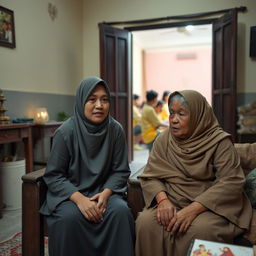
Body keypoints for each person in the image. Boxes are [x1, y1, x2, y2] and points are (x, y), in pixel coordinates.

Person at [135, 90, 252, 256]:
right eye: (172, 113)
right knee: (145, 223)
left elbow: (231, 182)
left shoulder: (219, 142)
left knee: (200, 231)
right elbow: (151, 175)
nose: (174, 120)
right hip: (172, 199)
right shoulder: (163, 140)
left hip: (208, 207)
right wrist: (162, 200)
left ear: (198, 116)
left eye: (181, 114)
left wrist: (193, 210)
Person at [40, 77, 135, 256]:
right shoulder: (65, 132)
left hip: (104, 192)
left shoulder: (115, 130)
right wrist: (80, 200)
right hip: (69, 195)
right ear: (81, 101)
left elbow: (120, 171)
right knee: (69, 219)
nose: (99, 105)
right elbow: (54, 175)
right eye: (92, 99)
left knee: (121, 213)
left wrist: (106, 194)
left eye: (104, 99)